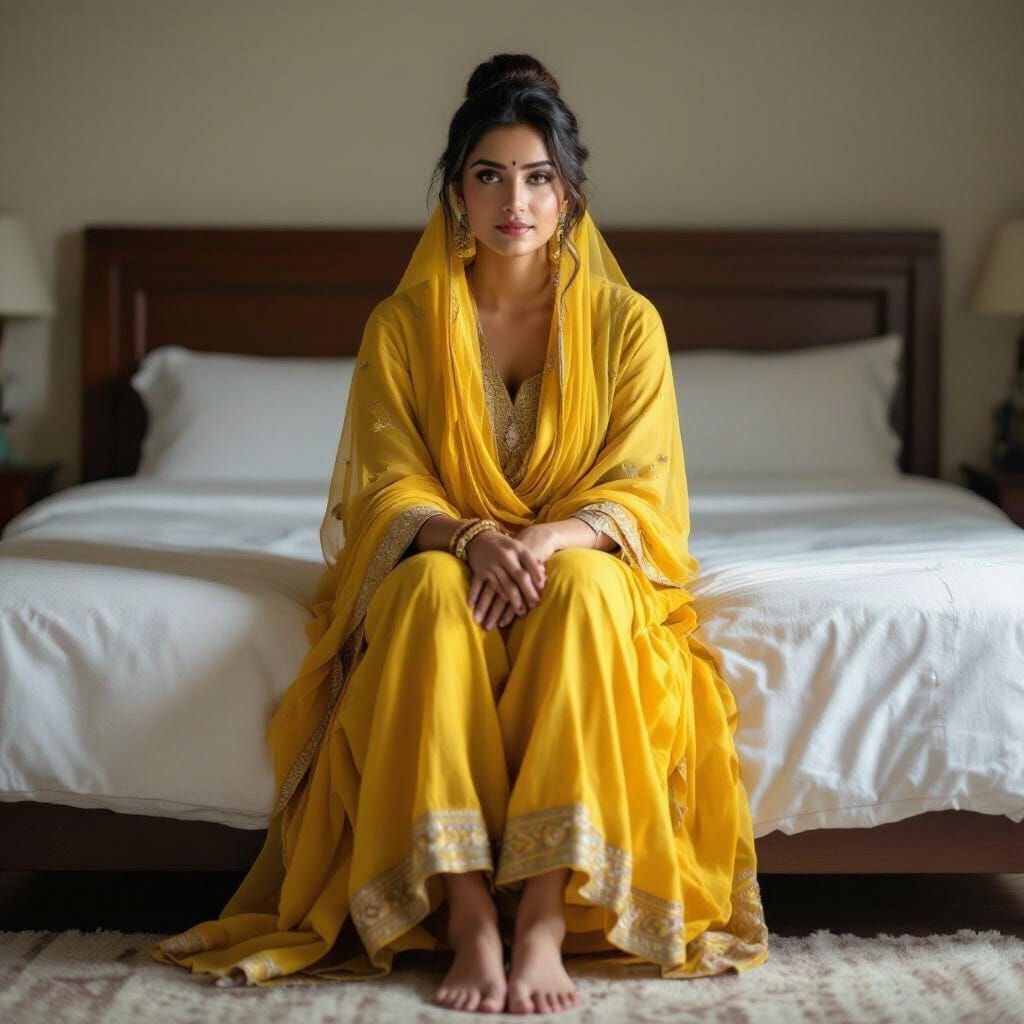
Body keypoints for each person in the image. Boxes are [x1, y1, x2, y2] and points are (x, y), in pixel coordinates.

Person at [150, 52, 769, 1015]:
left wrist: (546, 542)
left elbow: (644, 488)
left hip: (579, 554)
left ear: (567, 194)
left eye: (537, 177)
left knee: (593, 598)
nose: (513, 200)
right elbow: (384, 485)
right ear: (456, 192)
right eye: (489, 175)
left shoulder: (625, 324)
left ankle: (547, 922)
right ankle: (473, 915)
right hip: (444, 551)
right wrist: (472, 537)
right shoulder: (403, 325)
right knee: (428, 598)